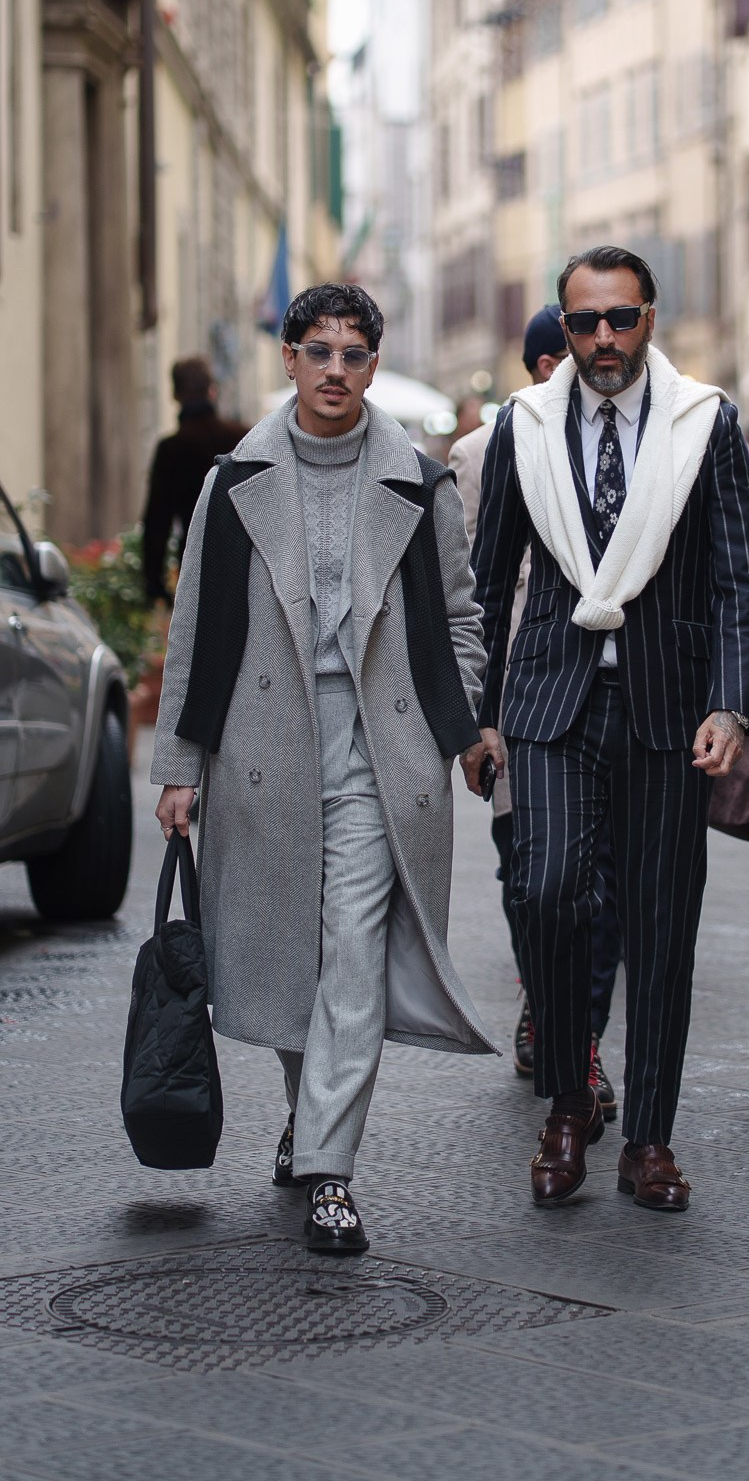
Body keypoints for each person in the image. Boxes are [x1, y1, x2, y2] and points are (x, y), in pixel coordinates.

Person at [151, 282, 499, 1255]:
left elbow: (462, 618)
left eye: (353, 353)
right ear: (290, 359)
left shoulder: (420, 482)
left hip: (380, 762)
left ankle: (331, 1170)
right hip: (264, 754)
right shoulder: (234, 480)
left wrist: (452, 721)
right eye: (319, 351)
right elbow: (193, 632)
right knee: (286, 964)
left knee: (350, 956)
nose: (335, 370)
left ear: (373, 365)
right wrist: (180, 763)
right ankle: (309, 1116)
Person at [472, 245, 749, 1211]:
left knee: (660, 928)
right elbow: (483, 584)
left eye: (621, 319)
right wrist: (477, 719)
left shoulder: (704, 424)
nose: (603, 339)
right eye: (584, 323)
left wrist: (730, 704)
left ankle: (649, 1137)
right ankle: (568, 1101)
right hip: (551, 705)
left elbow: (737, 581)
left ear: (651, 318)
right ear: (563, 329)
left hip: (669, 711)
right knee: (549, 894)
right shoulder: (524, 429)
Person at [450, 304, 623, 1119]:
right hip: (519, 693)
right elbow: (467, 590)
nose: (572, 364)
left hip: (607, 689)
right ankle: (547, 1004)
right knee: (529, 873)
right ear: (534, 367)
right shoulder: (486, 452)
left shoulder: (627, 440)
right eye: (554, 354)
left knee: (604, 884)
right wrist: (472, 714)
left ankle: (578, 1038)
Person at [141, 357, 248, 603]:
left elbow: (157, 521)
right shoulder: (243, 437)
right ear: (212, 390)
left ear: (175, 396)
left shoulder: (171, 448)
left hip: (196, 568)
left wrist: (153, 585)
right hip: (246, 566)